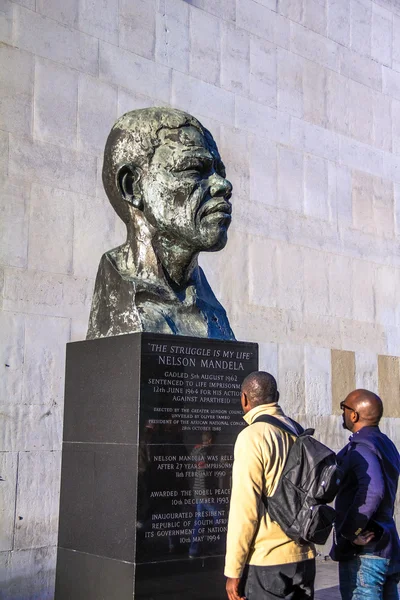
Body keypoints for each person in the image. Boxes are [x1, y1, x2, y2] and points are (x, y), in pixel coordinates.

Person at [87, 107, 235, 341]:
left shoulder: (211, 307)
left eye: (220, 172)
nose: (223, 185)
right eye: (194, 169)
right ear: (132, 187)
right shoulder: (123, 296)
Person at [225, 371, 316, 600]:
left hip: (268, 561)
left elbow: (245, 510)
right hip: (304, 555)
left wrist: (234, 570)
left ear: (244, 399)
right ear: (277, 395)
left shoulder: (252, 436)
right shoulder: (299, 432)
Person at [331, 389, 400, 600]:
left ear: (354, 415)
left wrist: (351, 532)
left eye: (344, 407)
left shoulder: (361, 446)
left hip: (366, 555)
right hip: (387, 546)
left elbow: (374, 489)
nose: (342, 413)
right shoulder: (386, 444)